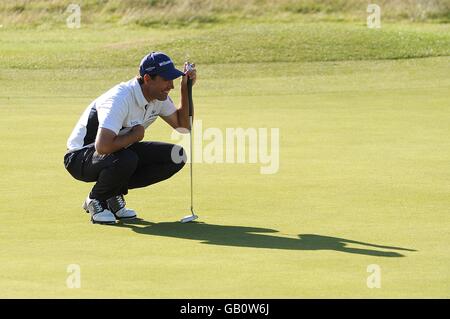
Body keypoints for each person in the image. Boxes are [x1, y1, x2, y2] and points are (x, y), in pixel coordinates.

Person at [63, 52, 197, 224]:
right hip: (80, 157)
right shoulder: (121, 98)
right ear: (147, 78)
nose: (170, 85)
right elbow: (102, 147)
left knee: (175, 156)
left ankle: (113, 193)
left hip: (117, 151)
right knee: (127, 158)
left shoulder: (158, 97)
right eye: (166, 80)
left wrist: (185, 89)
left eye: (173, 80)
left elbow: (183, 126)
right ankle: (95, 199)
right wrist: (135, 135)